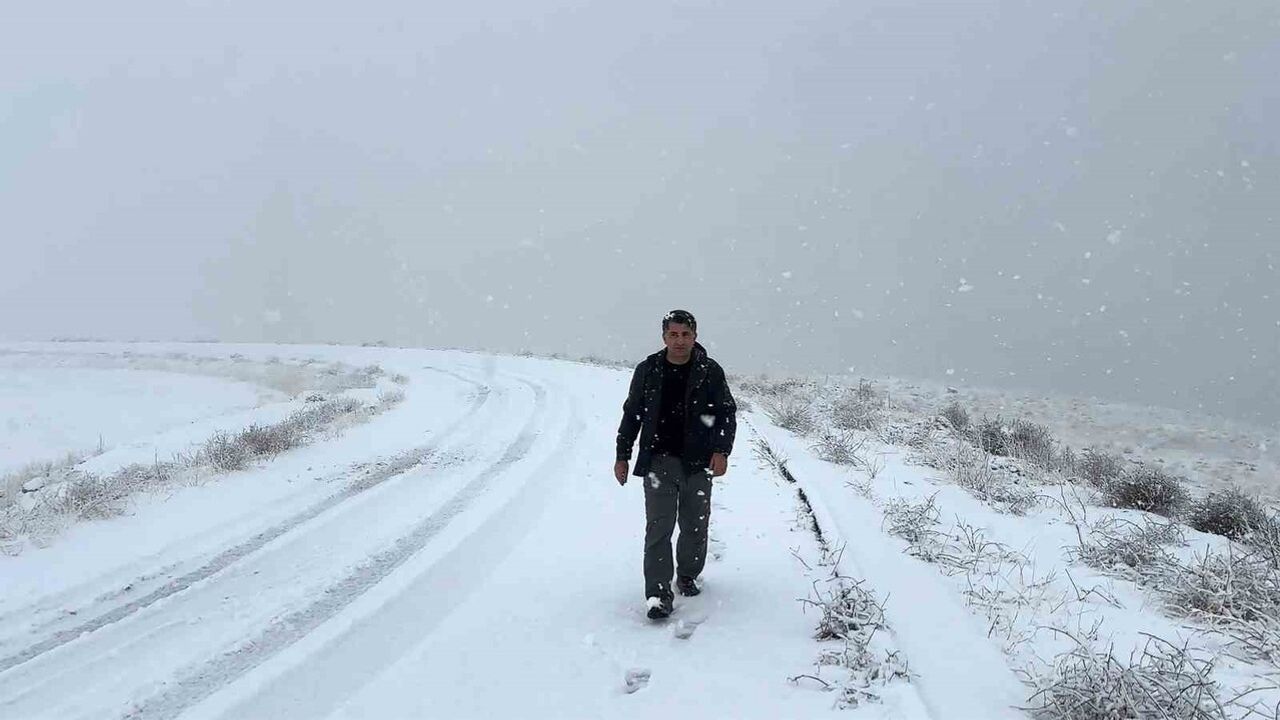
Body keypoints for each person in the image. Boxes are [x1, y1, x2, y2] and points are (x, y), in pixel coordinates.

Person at [614, 309, 737, 620]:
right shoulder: (648, 370)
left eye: (685, 334)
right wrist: (622, 454)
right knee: (659, 528)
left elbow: (726, 413)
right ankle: (657, 594)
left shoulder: (710, 371)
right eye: (673, 334)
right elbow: (632, 414)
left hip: (698, 463)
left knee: (695, 525)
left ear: (695, 335)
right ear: (664, 336)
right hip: (659, 461)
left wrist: (722, 450)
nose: (679, 340)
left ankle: (687, 575)